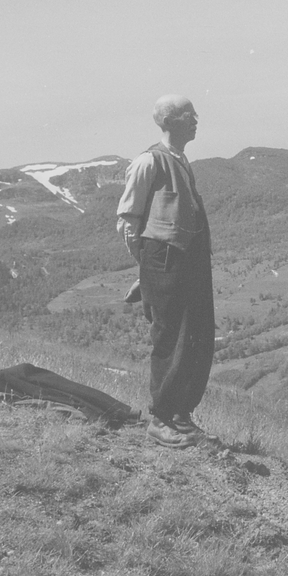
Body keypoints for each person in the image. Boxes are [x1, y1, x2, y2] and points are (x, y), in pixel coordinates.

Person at [116, 94, 215, 447]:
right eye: (190, 114)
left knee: (196, 339)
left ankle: (180, 415)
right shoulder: (148, 162)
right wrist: (147, 270)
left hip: (188, 262)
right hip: (165, 260)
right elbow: (128, 222)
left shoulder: (182, 160)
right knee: (170, 339)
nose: (196, 119)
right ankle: (160, 419)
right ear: (171, 121)